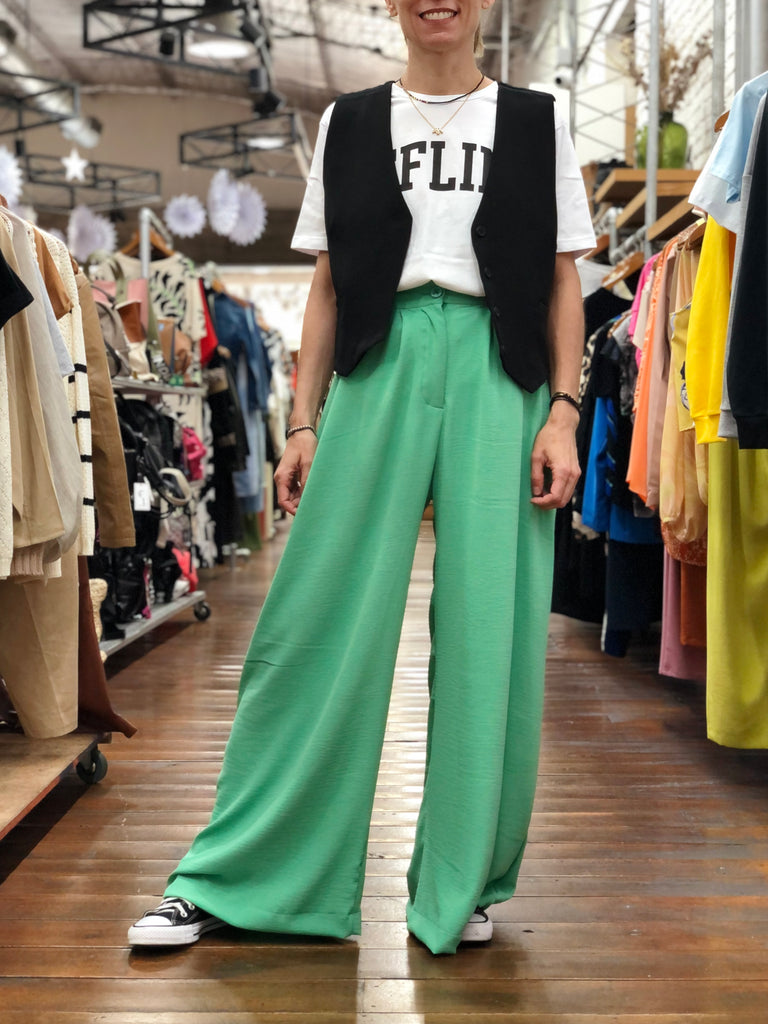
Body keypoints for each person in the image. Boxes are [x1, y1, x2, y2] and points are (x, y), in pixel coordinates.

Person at [128, 0, 595, 956]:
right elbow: (328, 285)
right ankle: (241, 876)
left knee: (491, 627)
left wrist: (564, 410)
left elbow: (561, 280)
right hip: (376, 368)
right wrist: (301, 421)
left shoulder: (537, 120)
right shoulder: (347, 121)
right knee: (315, 615)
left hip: (501, 373)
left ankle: (463, 878)